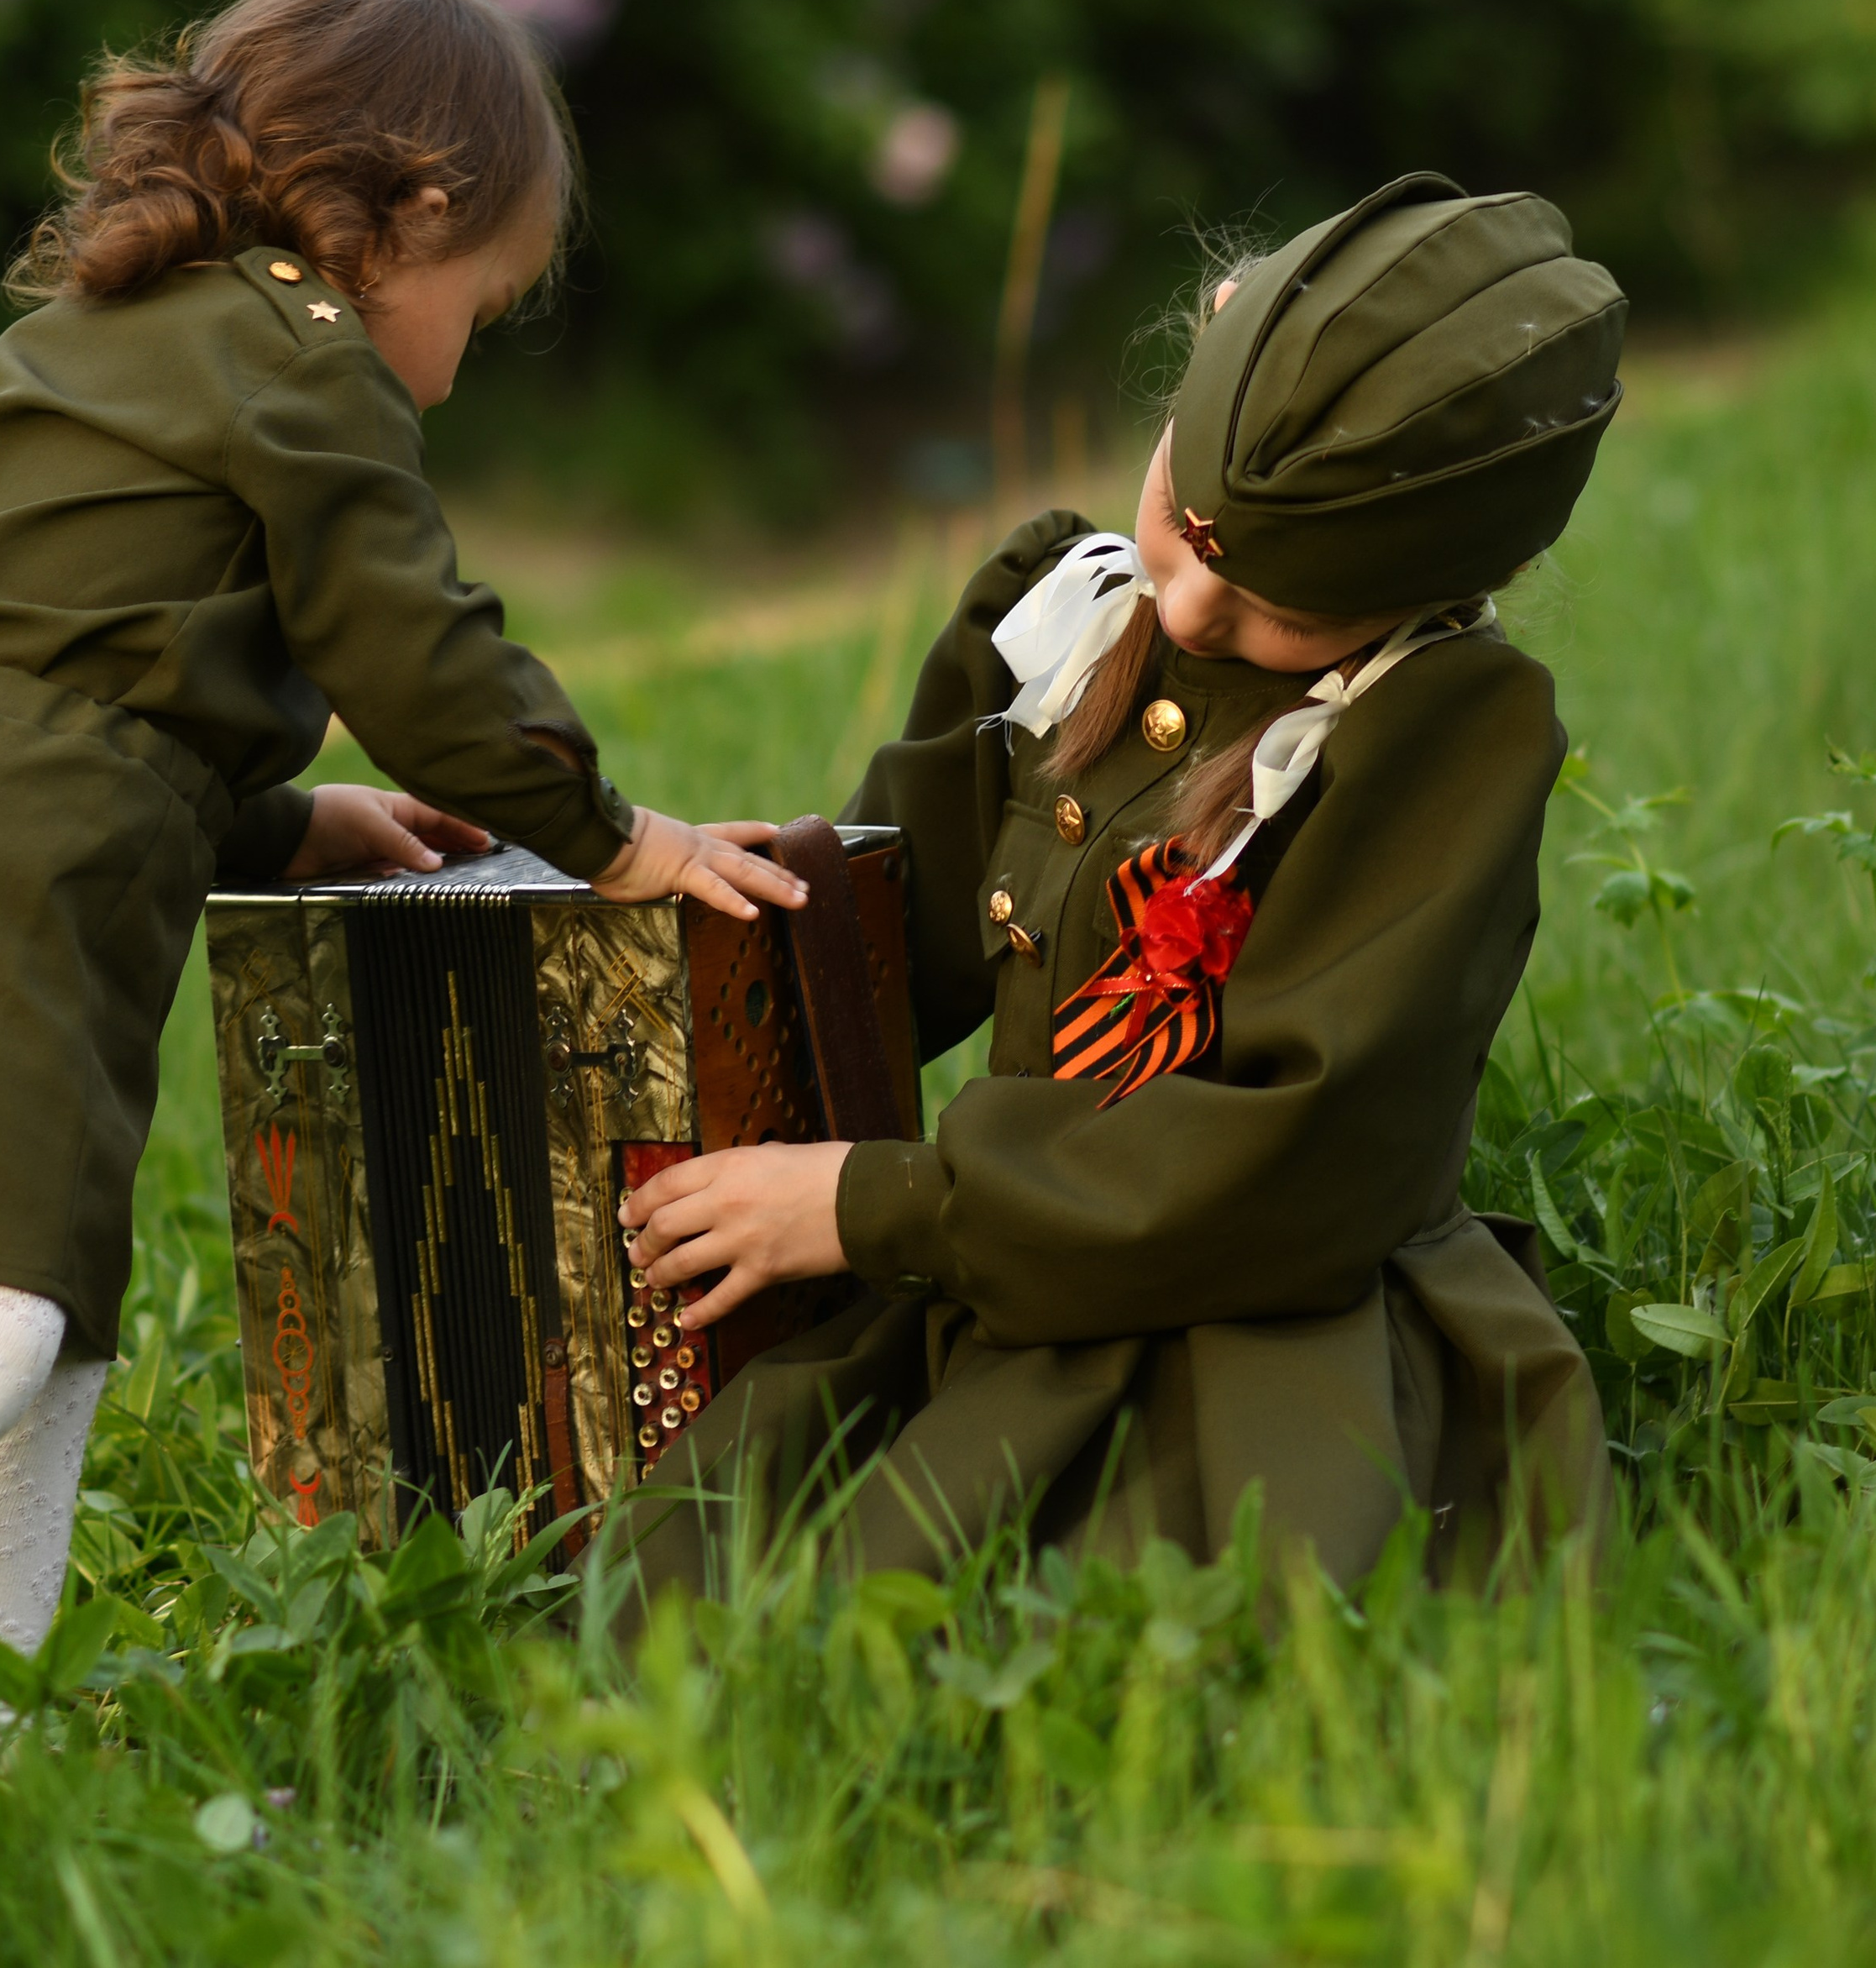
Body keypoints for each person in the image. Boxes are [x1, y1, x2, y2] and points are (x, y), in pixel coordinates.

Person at [0, 0, 803, 1707]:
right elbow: (418, 649)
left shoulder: (101, 338)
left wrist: (288, 820)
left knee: (40, 1334)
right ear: (413, 214)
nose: (453, 373)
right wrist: (611, 837)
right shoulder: (303, 361)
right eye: (482, 299)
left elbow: (61, 653)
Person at [615, 173, 1617, 1598]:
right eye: (1186, 523)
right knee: (666, 1590)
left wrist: (874, 1206)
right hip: (997, 1261)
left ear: (1473, 570)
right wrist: (731, 932)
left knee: (1080, 1639)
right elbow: (901, 946)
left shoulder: (1438, 737)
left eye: (1287, 609)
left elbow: (1299, 1153)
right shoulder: (1075, 621)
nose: (1196, 610)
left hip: (1247, 1320)